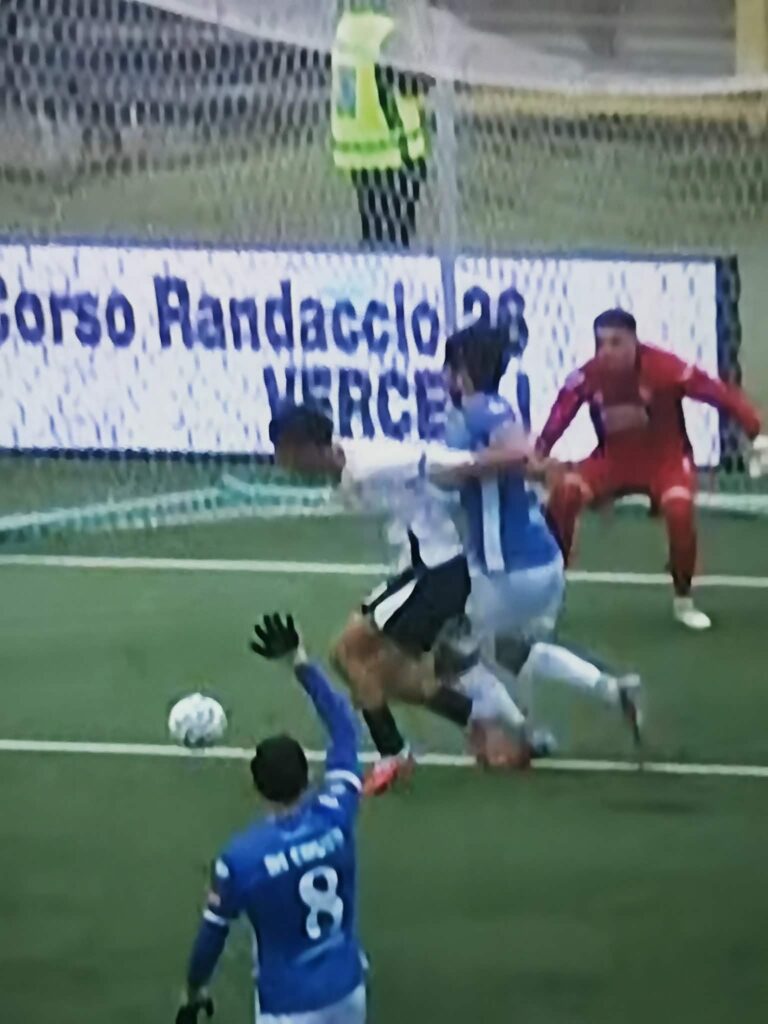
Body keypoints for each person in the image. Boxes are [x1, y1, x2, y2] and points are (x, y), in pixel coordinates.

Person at [268, 402, 534, 795]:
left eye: (285, 453)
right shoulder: (347, 466)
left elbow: (443, 462)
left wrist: (519, 459)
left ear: (306, 448)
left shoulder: (372, 466)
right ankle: (480, 718)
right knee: (391, 678)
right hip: (420, 571)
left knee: (349, 654)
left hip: (437, 573)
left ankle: (394, 753)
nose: (282, 463)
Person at [443, 324, 643, 744]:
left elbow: (515, 454)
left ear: (460, 371)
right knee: (511, 651)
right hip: (543, 561)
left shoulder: (475, 413)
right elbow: (530, 461)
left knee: (448, 654)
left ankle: (525, 734)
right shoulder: (499, 408)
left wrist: (459, 469)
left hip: (508, 568)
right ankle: (611, 689)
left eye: (448, 367)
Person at [176, 613, 366, 1024]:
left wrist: (194, 991)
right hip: (348, 991)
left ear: (257, 786)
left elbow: (212, 936)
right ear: (309, 777)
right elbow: (345, 731)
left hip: (288, 1006)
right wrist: (301, 663)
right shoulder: (337, 814)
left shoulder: (241, 859)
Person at [537, 308, 762, 631]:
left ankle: (683, 600)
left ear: (634, 342)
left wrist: (754, 430)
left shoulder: (664, 367)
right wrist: (541, 450)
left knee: (679, 509)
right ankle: (551, 588)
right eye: (600, 343)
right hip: (613, 460)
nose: (606, 351)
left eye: (616, 342)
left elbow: (716, 392)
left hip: (665, 459)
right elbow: (562, 411)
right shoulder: (588, 375)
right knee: (565, 493)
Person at [331, 0, 430, 248]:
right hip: (394, 149)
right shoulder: (387, 32)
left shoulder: (347, 28)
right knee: (398, 235)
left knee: (372, 228)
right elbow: (411, 85)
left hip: (358, 149)